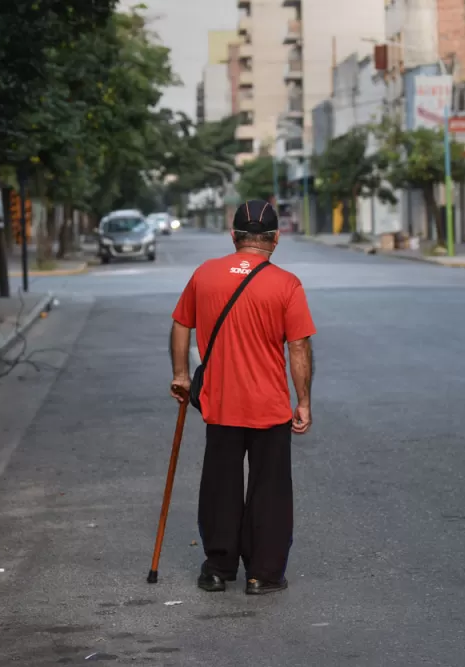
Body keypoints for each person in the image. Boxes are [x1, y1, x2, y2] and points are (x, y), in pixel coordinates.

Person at [169, 199, 315, 596]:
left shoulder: (205, 274)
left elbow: (181, 323)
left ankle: (217, 568)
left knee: (220, 486)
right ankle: (262, 574)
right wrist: (303, 401)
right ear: (276, 239)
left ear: (233, 236)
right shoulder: (286, 284)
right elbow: (298, 346)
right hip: (269, 407)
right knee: (269, 488)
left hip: (220, 405)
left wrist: (182, 375)